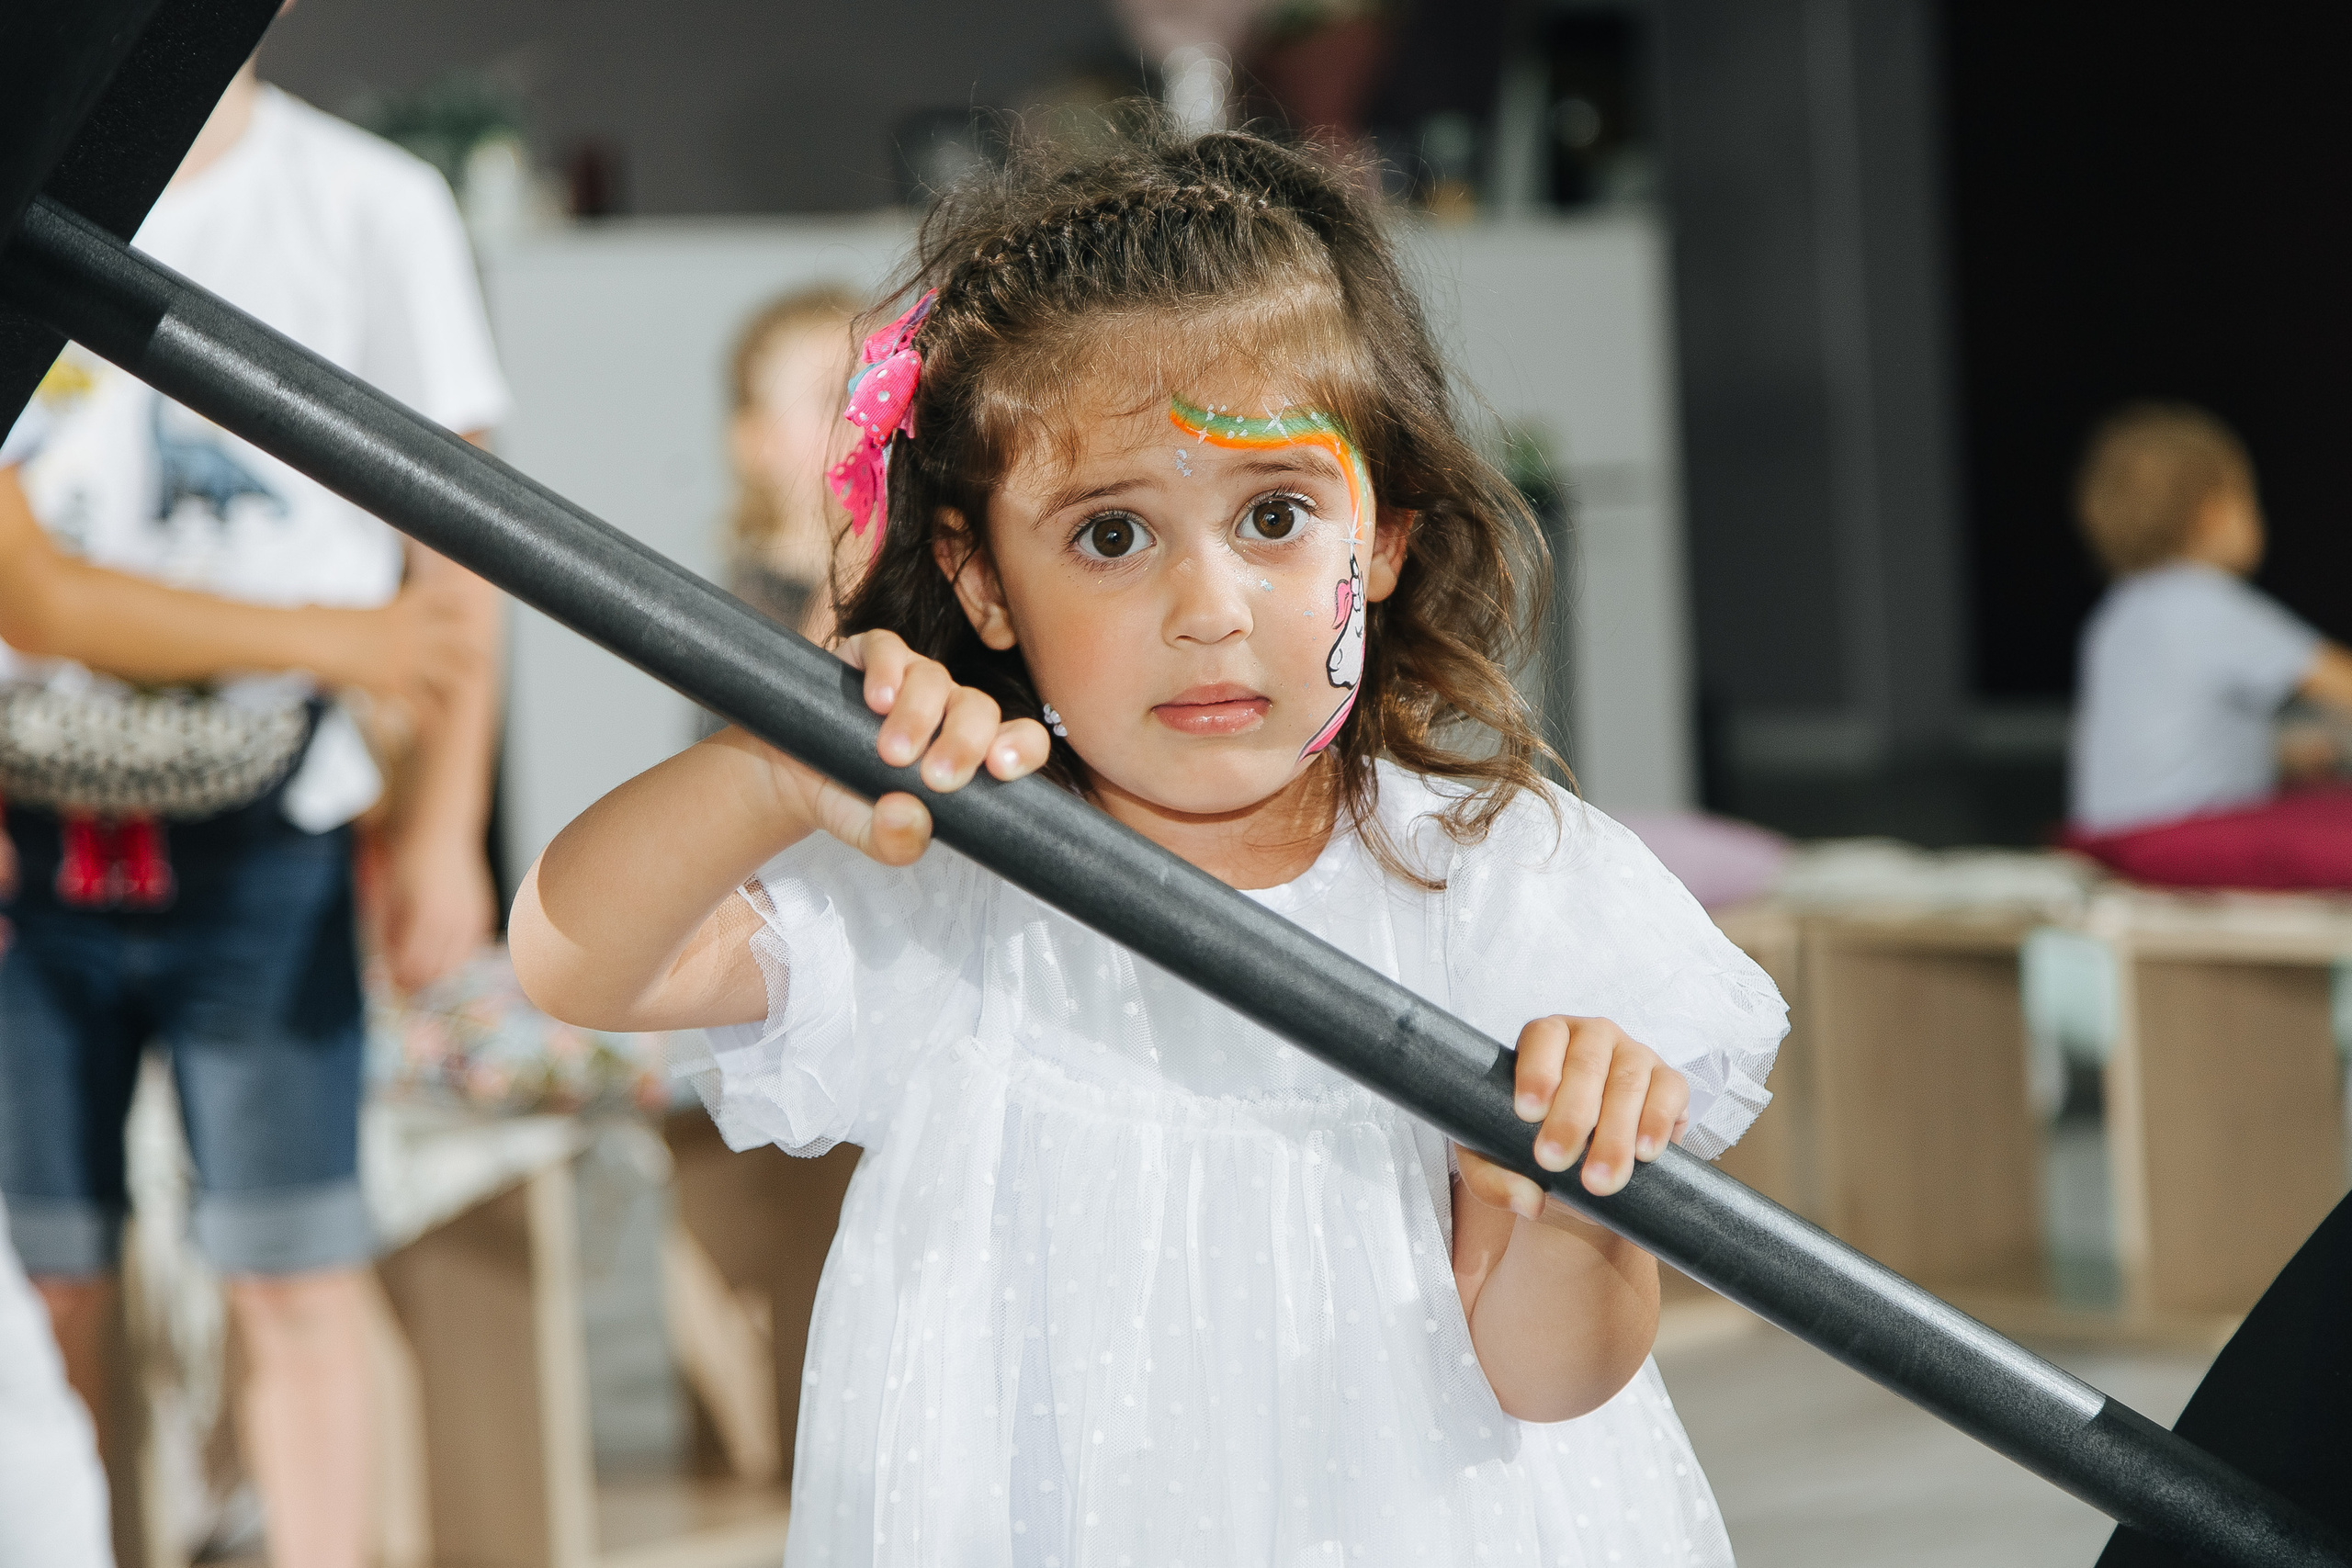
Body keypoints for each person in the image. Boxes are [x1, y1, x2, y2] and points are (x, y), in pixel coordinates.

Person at [512, 120, 1782, 1565]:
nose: (1210, 606)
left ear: (1381, 541)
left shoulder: (1493, 881)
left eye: (1276, 515)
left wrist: (1563, 1203)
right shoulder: (958, 881)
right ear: (983, 584)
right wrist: (770, 771)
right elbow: (575, 961)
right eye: (1113, 535)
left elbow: (1553, 1378)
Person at [0, 52, 506, 1568]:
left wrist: (443, 825)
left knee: (293, 1263)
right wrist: (341, 641)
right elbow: (32, 590)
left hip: (275, 816)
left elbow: (462, 539)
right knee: (46, 1277)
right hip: (31, 822)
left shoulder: (368, 202)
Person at [2065, 402, 2352, 888]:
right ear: (2213, 514)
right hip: (2178, 843)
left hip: (2103, 841)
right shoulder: (2207, 601)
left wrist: (2282, 755)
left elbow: (2163, 748)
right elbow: (2339, 681)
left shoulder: (2116, 613)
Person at [723, 285, 862, 642]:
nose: (870, 417)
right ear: (759, 442)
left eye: (889, 388)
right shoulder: (743, 620)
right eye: (834, 399)